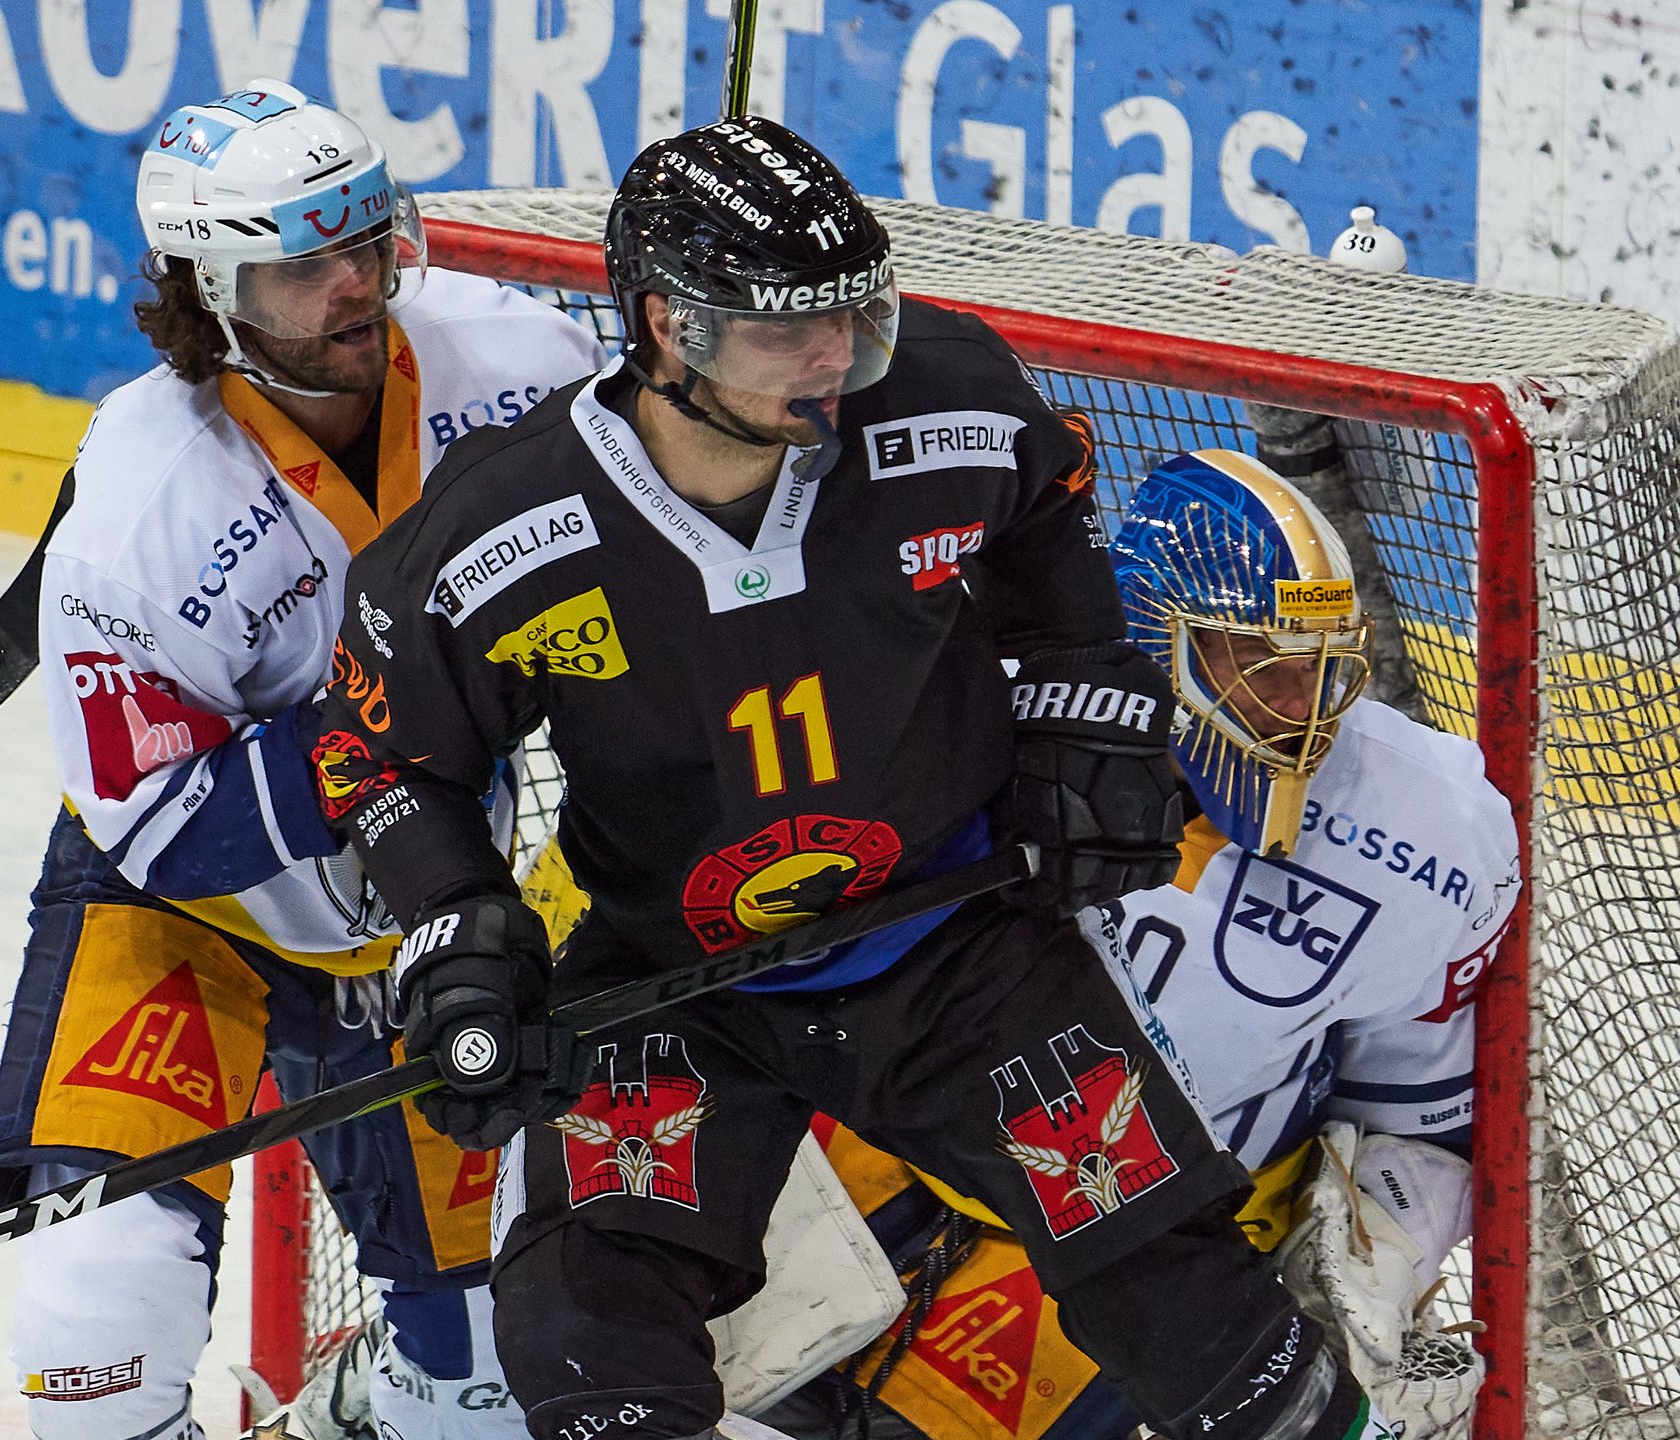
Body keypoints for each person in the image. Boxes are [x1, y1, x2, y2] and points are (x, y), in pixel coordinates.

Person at [314, 117, 1399, 1440]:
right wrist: (459, 927)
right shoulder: (504, 531)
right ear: (666, 328)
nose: (837, 354)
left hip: (958, 944)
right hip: (680, 977)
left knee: (1189, 1304)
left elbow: (1051, 533)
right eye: (790, 330)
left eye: (851, 312)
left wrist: (1080, 719)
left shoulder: (951, 404)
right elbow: (377, 755)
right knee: (584, 1331)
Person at [0, 79, 605, 1440]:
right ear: (208, 296)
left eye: (365, 242)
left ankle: (374, 1398)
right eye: (303, 267)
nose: (357, 284)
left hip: (433, 908)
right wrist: (387, 731)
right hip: (183, 919)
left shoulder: (525, 365)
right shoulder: (139, 506)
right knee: (97, 1311)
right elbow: (161, 826)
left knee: (490, 1379)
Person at [756, 450, 1520, 1440]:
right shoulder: (976, 709)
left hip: (1153, 1248)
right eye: (1257, 662)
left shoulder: (1430, 833)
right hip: (885, 1160)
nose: (1301, 707)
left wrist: (1384, 1252)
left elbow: (1426, 1124)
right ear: (1152, 636)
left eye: (1323, 666)